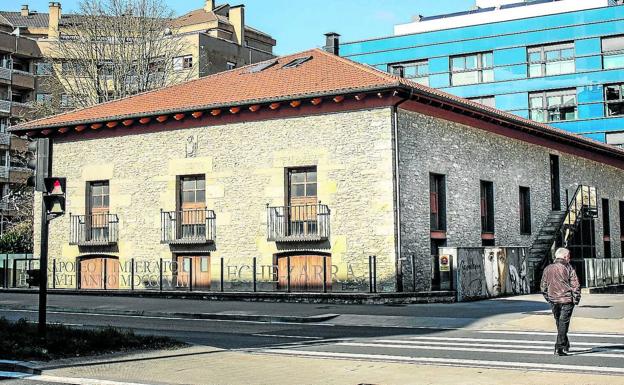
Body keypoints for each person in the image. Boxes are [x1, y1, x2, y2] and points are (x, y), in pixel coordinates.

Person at [540, 247, 581, 356]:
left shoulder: (547, 268)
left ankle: (565, 344)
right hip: (567, 300)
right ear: (564, 257)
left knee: (560, 322)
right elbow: (575, 285)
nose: (569, 258)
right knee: (563, 323)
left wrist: (548, 298)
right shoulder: (568, 268)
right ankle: (560, 347)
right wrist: (576, 299)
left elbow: (543, 286)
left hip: (554, 300)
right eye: (568, 256)